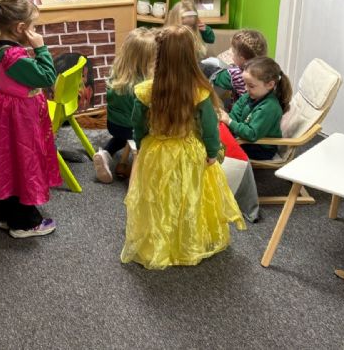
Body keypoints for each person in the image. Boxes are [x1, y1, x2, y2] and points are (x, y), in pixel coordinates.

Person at [121, 25, 245, 270]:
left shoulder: (146, 90)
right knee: (189, 197)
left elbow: (138, 124)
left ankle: (161, 240)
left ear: (158, 55)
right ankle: (187, 240)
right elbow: (210, 128)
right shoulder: (198, 91)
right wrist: (212, 152)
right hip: (188, 151)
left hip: (156, 151)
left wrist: (141, 145)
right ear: (190, 56)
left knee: (158, 197)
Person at [0, 0, 62, 238]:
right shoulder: (14, 58)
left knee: (8, 162)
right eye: (33, 27)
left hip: (4, 114)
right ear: (20, 28)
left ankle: (5, 215)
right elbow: (47, 77)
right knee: (24, 162)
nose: (35, 31)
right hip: (20, 118)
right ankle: (24, 223)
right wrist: (40, 48)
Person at [93, 27, 157, 183]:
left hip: (113, 125)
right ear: (148, 59)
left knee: (121, 138)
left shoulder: (116, 72)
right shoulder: (145, 83)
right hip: (134, 129)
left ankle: (105, 153)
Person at [219, 56, 292, 160]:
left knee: (220, 149)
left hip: (260, 147)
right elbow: (235, 114)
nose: (246, 88)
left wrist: (229, 122)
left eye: (251, 86)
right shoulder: (249, 96)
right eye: (245, 84)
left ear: (270, 85)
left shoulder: (269, 108)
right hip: (245, 137)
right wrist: (224, 120)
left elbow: (252, 134)